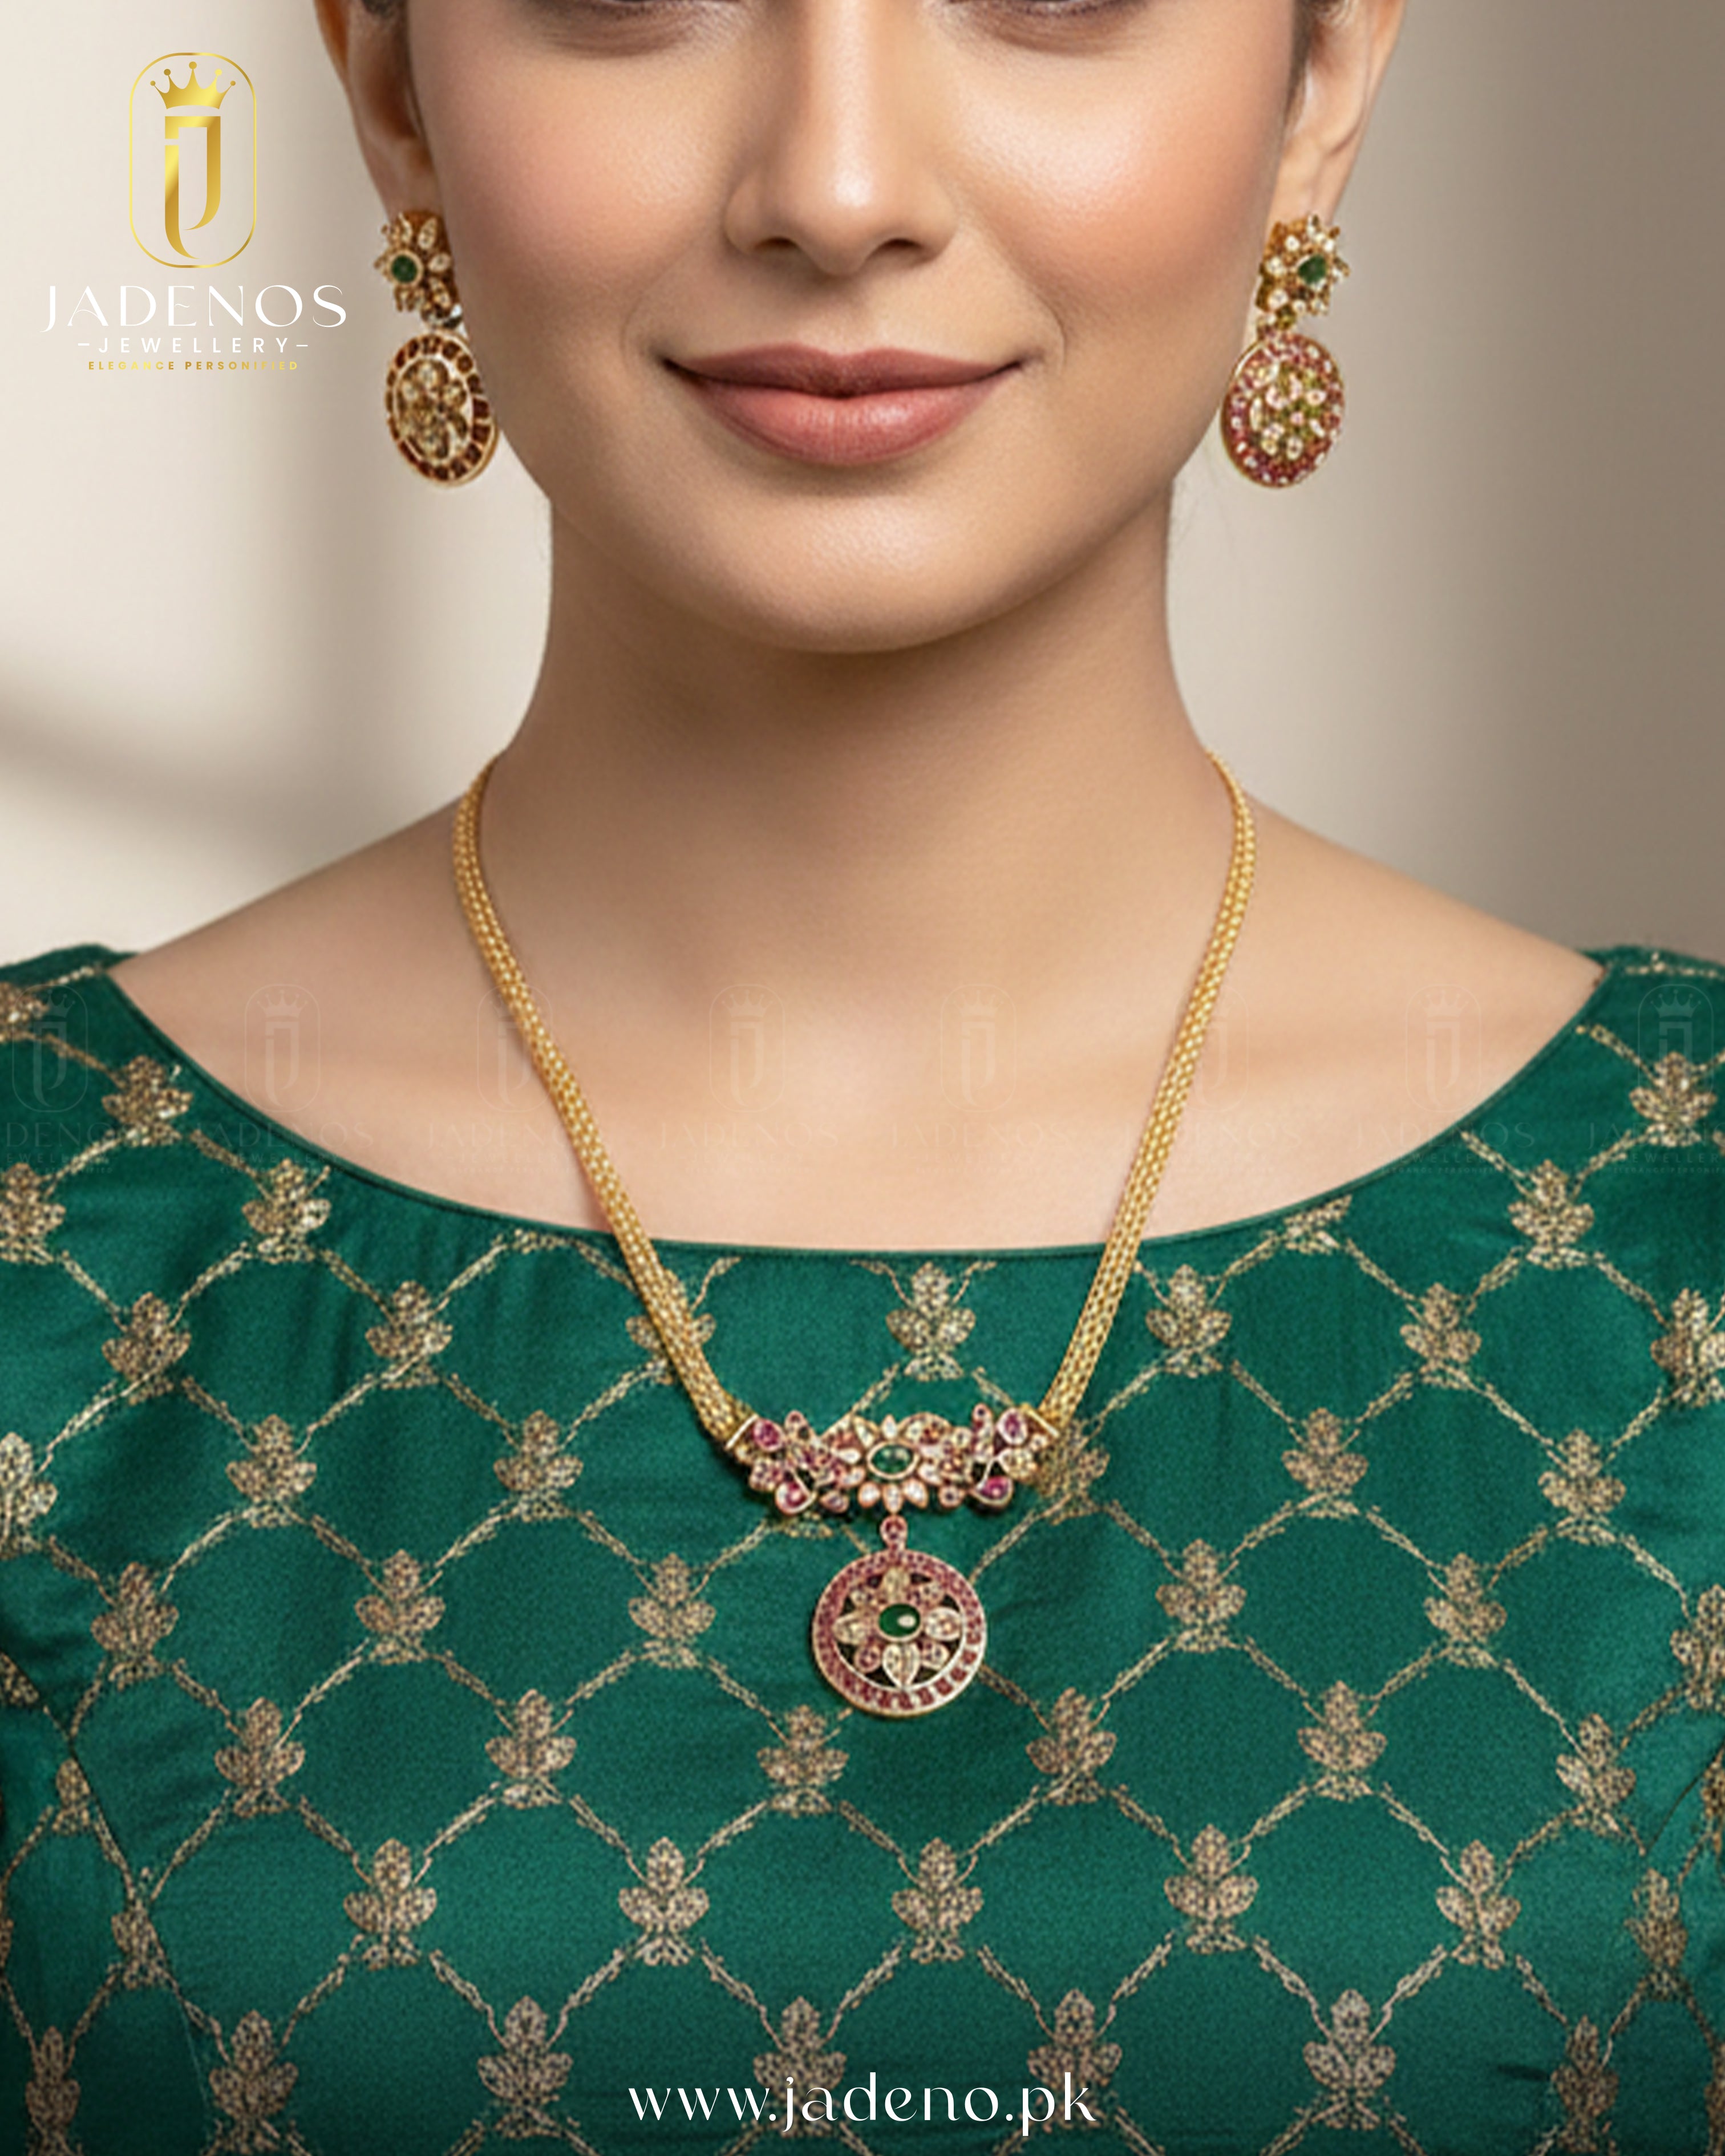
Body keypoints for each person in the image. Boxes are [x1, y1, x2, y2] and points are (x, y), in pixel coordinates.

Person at [2, 0, 1720, 2146]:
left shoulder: (1682, 1233)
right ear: (387, 84)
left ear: (1326, 78)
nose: (835, 188)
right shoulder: (46, 1240)